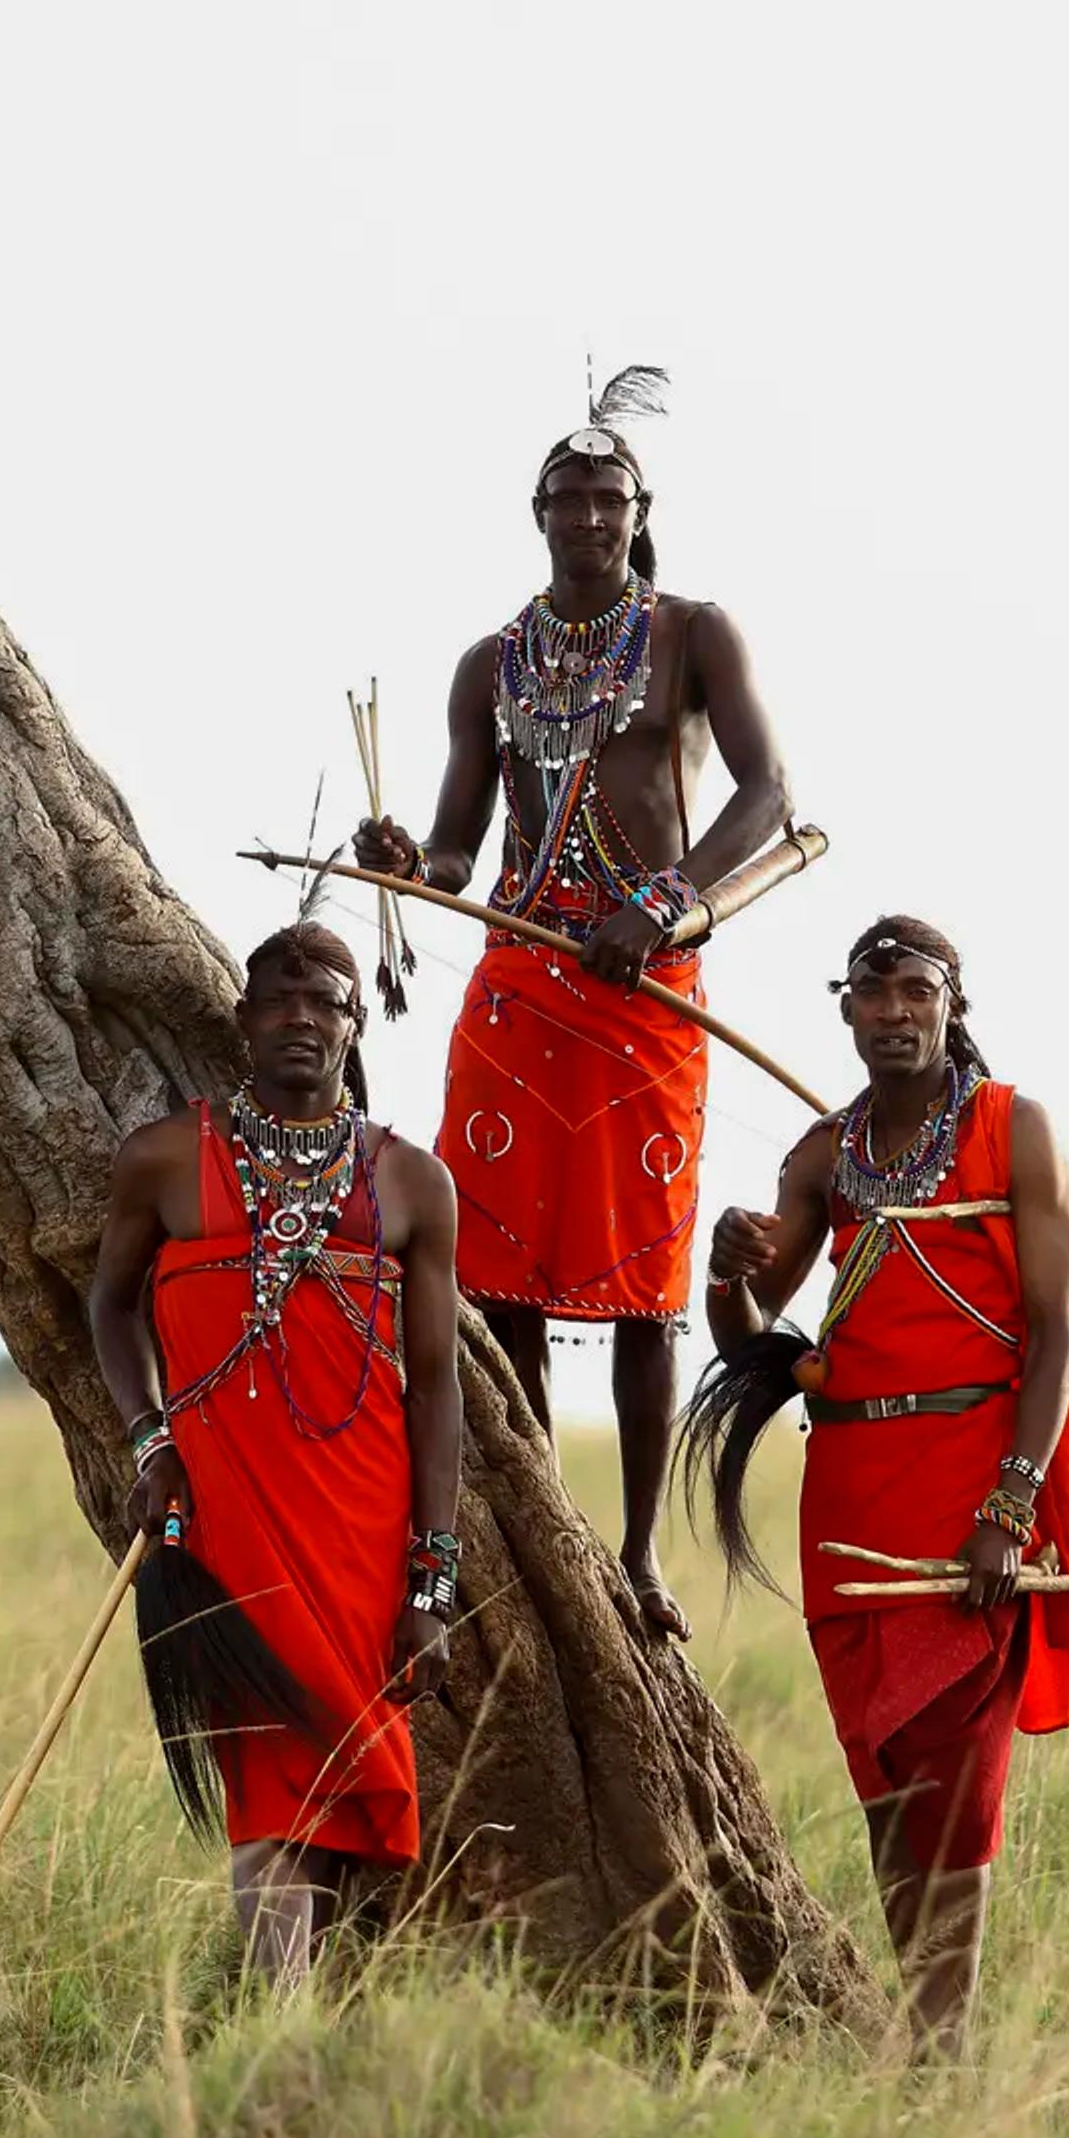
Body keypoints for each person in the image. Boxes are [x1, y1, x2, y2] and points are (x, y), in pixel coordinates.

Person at [356, 368, 792, 1645]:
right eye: (570, 498)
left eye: (612, 499)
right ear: (537, 514)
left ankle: (642, 1554)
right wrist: (407, 860)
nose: (591, 517)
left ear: (640, 514)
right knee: (502, 1282)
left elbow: (768, 794)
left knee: (649, 1281)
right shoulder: (489, 664)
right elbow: (458, 849)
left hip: (644, 987)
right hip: (520, 988)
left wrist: (666, 903)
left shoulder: (693, 635)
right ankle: (550, 1523)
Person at [681, 918, 1069, 2042]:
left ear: (951, 1004)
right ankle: (932, 2033)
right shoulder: (824, 1155)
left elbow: (1055, 1329)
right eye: (872, 993)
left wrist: (1011, 1505)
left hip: (972, 1489)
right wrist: (727, 1273)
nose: (894, 1012)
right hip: (847, 1493)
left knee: (955, 1772)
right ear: (845, 1009)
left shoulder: (1016, 1128)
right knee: (882, 1767)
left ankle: (940, 2043)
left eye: (916, 991)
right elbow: (753, 1338)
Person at [86, 923, 466, 1982]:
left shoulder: (412, 1182)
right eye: (280, 1002)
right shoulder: (164, 1159)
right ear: (244, 1020)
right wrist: (149, 1440)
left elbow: (437, 1387)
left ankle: (304, 2016)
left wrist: (432, 1577)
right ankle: (279, 2020)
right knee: (267, 1770)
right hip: (228, 1517)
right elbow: (110, 1307)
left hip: (364, 1529)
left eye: (327, 1003)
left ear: (355, 1025)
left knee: (349, 1768)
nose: (302, 1018)